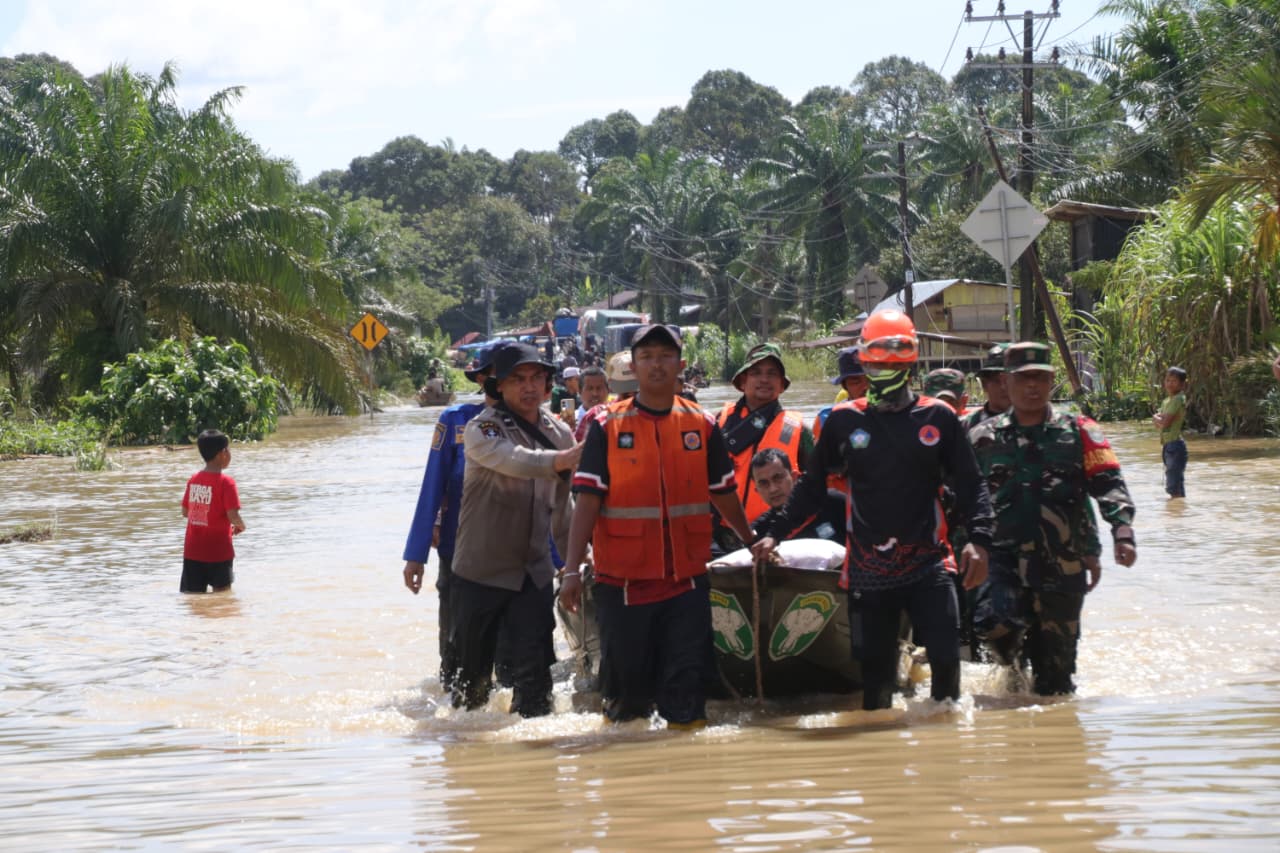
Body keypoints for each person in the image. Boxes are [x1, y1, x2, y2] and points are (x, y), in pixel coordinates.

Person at [752, 309, 993, 711]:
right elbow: (811, 487)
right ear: (864, 360)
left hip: (930, 563)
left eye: (897, 357)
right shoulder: (845, 422)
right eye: (878, 359)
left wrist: (981, 542)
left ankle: (949, 753)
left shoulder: (938, 417)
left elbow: (971, 485)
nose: (887, 367)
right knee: (876, 684)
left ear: (912, 360)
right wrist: (776, 531)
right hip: (868, 571)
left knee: (948, 662)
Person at [560, 324, 754, 728]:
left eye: (665, 356)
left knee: (687, 699)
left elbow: (723, 492)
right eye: (646, 357)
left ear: (680, 365)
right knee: (627, 705)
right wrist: (571, 570)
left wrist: (751, 540)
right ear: (633, 366)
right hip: (623, 585)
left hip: (685, 584)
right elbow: (587, 501)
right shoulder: (606, 426)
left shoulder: (702, 424)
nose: (656, 365)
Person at [969, 342, 1137, 696]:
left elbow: (1108, 482)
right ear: (1006, 382)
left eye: (1041, 379)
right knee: (993, 623)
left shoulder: (1078, 431)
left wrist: (1121, 532)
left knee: (1055, 681)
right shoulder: (981, 438)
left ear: (1051, 382)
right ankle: (1012, 668)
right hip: (1001, 558)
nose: (1033, 386)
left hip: (1061, 563)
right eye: (1024, 378)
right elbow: (959, 497)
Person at [448, 342, 582, 717]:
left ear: (547, 385)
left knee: (537, 680)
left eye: (536, 378)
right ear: (499, 387)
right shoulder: (482, 429)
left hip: (532, 572)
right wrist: (561, 460)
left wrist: (575, 564)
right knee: (470, 686)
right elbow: (515, 461)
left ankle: (536, 758)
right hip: (480, 571)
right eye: (518, 379)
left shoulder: (559, 433)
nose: (529, 387)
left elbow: (563, 511)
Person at [402, 345, 498, 689]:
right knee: (457, 646)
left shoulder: (531, 423)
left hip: (514, 552)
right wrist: (416, 555)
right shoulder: (455, 420)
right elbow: (433, 485)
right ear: (483, 380)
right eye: (495, 376)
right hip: (458, 550)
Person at [715, 342, 813, 551]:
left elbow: (814, 486)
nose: (764, 379)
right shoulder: (717, 422)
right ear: (743, 381)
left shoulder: (799, 429)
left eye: (772, 373)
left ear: (781, 385)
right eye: (756, 373)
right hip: (722, 536)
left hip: (777, 536)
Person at [180, 429, 246, 594]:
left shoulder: (194, 479)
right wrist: (241, 526)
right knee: (223, 599)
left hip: (193, 551)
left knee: (193, 599)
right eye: (228, 449)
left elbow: (185, 511)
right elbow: (233, 516)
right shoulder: (226, 483)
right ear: (222, 453)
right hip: (219, 552)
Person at [748, 448, 842, 543]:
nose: (773, 489)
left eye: (778, 478)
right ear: (757, 490)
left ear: (794, 477)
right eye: (764, 483)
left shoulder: (833, 502)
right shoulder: (759, 533)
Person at [813, 347, 868, 438]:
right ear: (844, 385)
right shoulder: (827, 418)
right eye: (856, 382)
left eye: (870, 380)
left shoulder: (892, 415)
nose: (865, 387)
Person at [1153, 366, 1188, 499]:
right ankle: (1179, 513)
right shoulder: (1166, 401)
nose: (1169, 383)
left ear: (1182, 384)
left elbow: (1164, 422)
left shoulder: (1179, 399)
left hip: (1175, 447)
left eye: (1173, 381)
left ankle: (1177, 513)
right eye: (1167, 380)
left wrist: (1156, 418)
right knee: (1175, 485)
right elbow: (1159, 424)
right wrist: (1157, 419)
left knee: (1173, 486)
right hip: (1168, 446)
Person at [961, 343, 1012, 432]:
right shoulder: (965, 426)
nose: (1003, 387)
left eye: (1009, 381)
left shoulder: (1038, 425)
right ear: (984, 384)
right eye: (997, 381)